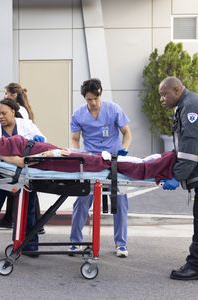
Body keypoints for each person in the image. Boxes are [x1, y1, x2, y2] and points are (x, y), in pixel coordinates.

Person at [0, 99, 46, 258]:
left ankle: (30, 246)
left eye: (4, 113)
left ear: (13, 111)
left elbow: (42, 139)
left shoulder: (27, 125)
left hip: (24, 175)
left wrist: (39, 139)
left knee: (28, 211)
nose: (0, 116)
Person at [69, 78, 132, 258]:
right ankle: (75, 242)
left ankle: (121, 244)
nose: (94, 102)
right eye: (89, 99)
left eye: (96, 98)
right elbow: (74, 138)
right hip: (90, 161)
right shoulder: (78, 114)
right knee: (82, 200)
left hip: (113, 160)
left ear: (100, 95)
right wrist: (76, 152)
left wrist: (124, 149)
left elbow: (127, 133)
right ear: (84, 98)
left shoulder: (113, 109)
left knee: (120, 201)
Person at [0, 129, 175, 181]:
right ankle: (158, 166)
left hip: (47, 154)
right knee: (101, 163)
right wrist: (49, 155)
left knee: (100, 161)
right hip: (48, 159)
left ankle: (153, 163)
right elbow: (19, 162)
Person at [159, 76, 198, 281]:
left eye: (164, 94)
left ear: (177, 90)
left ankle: (197, 266)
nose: (162, 99)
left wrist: (176, 176)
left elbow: (190, 150)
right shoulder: (186, 105)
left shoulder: (191, 108)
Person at [4, 82, 44, 234]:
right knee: (18, 186)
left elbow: (20, 131)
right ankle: (10, 218)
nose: (4, 96)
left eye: (6, 93)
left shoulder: (19, 111)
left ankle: (37, 224)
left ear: (13, 95)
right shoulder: (23, 109)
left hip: (21, 151)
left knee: (24, 187)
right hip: (22, 150)